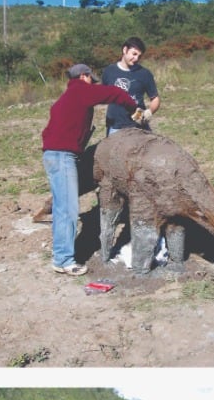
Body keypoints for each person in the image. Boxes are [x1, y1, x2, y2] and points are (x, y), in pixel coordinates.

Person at [41, 65, 141, 274]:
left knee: (61, 208)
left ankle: (61, 256)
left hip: (53, 154)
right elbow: (114, 92)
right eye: (91, 79)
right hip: (62, 156)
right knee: (68, 209)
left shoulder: (67, 96)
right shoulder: (80, 91)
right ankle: (64, 260)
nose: (93, 84)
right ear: (84, 76)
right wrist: (134, 108)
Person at [101, 38, 159, 135]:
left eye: (139, 56)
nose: (136, 58)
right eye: (134, 54)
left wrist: (149, 112)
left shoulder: (144, 74)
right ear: (125, 50)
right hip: (115, 127)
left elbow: (155, 99)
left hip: (138, 126)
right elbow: (102, 95)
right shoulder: (109, 71)